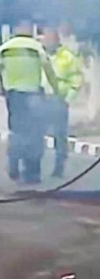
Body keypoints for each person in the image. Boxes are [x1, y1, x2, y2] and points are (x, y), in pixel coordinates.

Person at [0, 20, 61, 184]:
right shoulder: (35, 47)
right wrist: (56, 92)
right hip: (33, 95)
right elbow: (48, 69)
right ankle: (32, 173)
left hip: (13, 96)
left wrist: (3, 89)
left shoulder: (5, 48)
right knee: (34, 133)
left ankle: (13, 164)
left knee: (17, 131)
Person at [41, 28, 85, 177]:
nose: (46, 42)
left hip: (58, 100)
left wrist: (67, 99)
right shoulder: (39, 55)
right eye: (45, 39)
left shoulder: (68, 57)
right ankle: (34, 166)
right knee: (36, 134)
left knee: (59, 135)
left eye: (50, 40)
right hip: (40, 99)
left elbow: (76, 79)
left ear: (57, 41)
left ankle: (59, 167)